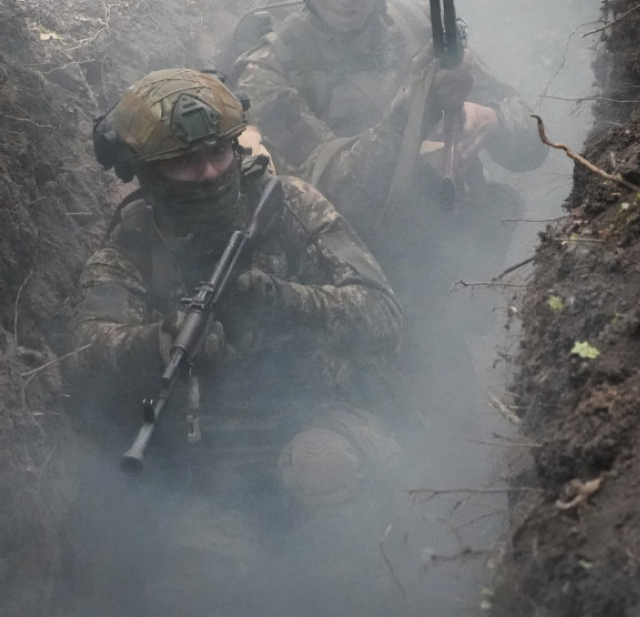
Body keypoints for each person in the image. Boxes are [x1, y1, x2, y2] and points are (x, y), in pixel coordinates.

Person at [66, 68, 406, 615]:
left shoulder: (288, 204)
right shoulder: (132, 244)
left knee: (325, 478)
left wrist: (288, 301)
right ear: (147, 174)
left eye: (218, 154)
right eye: (183, 162)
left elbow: (384, 314)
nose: (206, 173)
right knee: (196, 587)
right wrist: (160, 340)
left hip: (317, 423)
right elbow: (84, 355)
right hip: (207, 473)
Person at [232, 0, 548, 451]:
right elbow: (334, 194)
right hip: (331, 311)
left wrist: (488, 118)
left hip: (432, 295)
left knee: (458, 458)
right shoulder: (268, 70)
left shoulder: (418, 31)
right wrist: (415, 109)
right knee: (338, 473)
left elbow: (531, 139)